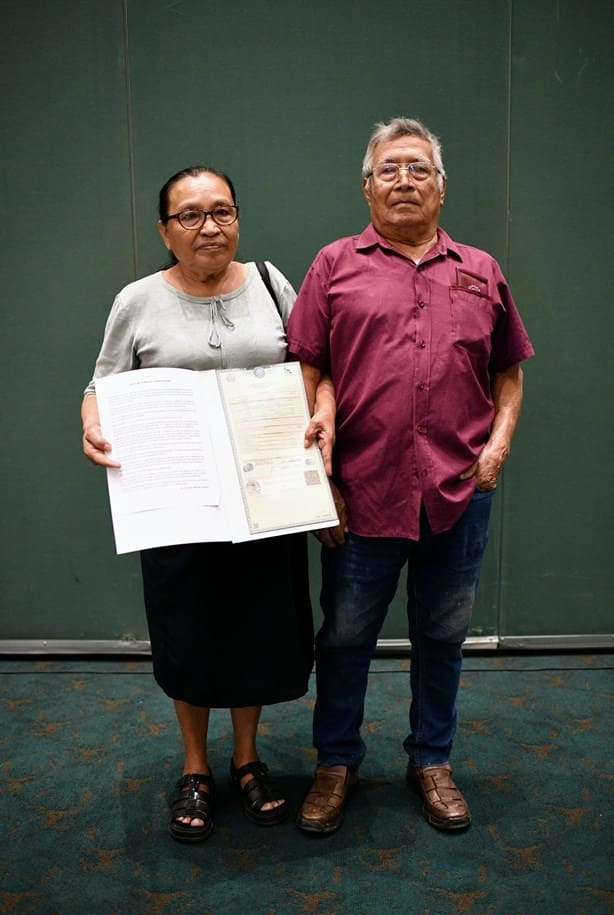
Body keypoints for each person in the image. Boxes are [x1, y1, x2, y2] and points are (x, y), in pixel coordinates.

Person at [287, 117, 535, 835]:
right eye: (389, 169)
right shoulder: (334, 264)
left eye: (418, 168)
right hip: (361, 491)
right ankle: (336, 763)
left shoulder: (481, 270)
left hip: (459, 493)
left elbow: (509, 373)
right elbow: (309, 368)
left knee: (442, 636)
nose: (404, 180)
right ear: (366, 186)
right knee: (344, 639)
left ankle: (431, 759)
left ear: (442, 186)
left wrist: (498, 447)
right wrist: (319, 476)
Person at [81, 165, 335, 843]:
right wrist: (92, 426)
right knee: (188, 632)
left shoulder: (275, 285)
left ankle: (246, 758)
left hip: (265, 496)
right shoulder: (136, 300)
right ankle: (195, 767)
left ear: (238, 218)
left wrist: (323, 417)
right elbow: (100, 387)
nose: (208, 226)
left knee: (255, 629)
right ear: (165, 229)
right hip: (178, 505)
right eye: (189, 215)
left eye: (221, 211)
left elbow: (318, 369)